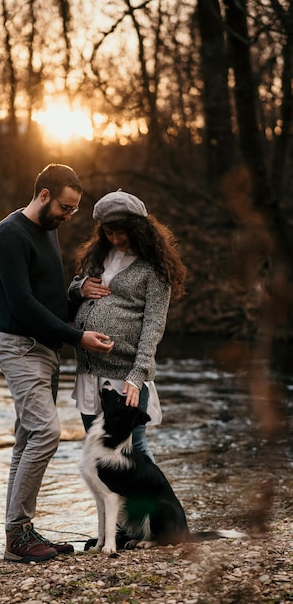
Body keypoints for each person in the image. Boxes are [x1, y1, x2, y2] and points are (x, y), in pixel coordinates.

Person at [0, 163, 114, 564]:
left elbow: (50, 300)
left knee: (27, 439)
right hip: (20, 346)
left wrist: (78, 293)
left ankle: (18, 532)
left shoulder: (47, 232)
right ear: (44, 195)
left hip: (45, 351)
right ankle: (18, 534)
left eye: (74, 209)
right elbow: (23, 304)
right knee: (46, 432)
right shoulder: (9, 234)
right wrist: (78, 337)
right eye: (65, 206)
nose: (69, 215)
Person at [69, 190, 186, 460]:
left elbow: (154, 324)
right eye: (109, 232)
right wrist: (78, 288)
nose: (116, 239)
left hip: (125, 375)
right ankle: (111, 505)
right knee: (97, 451)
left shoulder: (154, 267)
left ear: (139, 229)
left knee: (134, 450)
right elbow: (77, 291)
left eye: (122, 232)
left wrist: (138, 375)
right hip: (88, 370)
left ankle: (157, 504)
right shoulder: (99, 256)